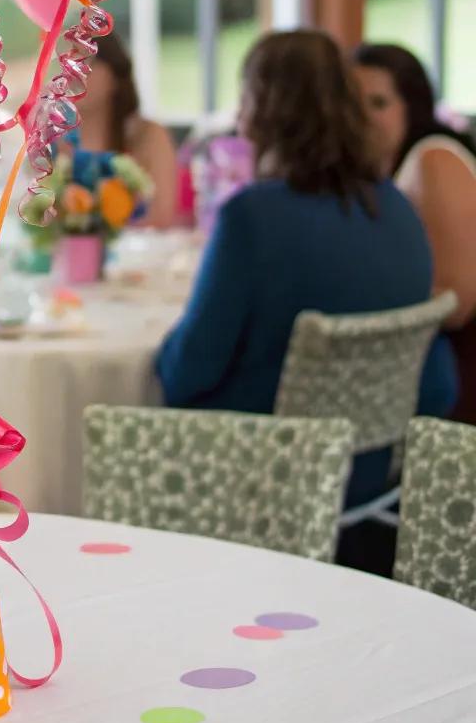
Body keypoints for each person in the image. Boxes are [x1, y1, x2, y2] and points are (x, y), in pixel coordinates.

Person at [156, 30, 456, 511]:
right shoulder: (396, 206)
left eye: (247, 100)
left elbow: (184, 375)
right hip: (378, 467)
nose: (239, 119)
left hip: (270, 475)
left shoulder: (251, 217)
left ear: (265, 112)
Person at [353, 43, 476, 423]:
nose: (361, 117)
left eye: (378, 103)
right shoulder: (380, 173)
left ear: (413, 106)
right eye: (350, 104)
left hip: (461, 380)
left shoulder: (433, 159)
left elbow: (459, 306)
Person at [78, 32, 178, 228]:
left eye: (86, 61)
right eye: (65, 64)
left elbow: (161, 218)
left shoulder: (148, 136)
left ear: (115, 75)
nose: (73, 72)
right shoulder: (50, 144)